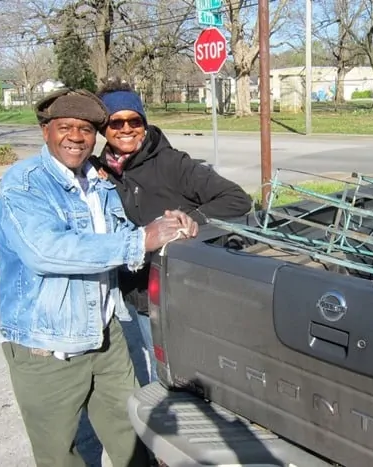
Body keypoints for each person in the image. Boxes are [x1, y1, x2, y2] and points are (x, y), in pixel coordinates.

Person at [0, 88, 198, 467]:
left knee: (132, 438)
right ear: (45, 131)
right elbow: (46, 250)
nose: (76, 136)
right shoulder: (24, 184)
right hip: (47, 345)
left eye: (86, 128)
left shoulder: (98, 181)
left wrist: (165, 225)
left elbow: (122, 234)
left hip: (106, 335)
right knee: (61, 454)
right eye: (65, 127)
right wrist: (141, 240)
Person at [91, 79, 252, 383]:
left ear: (144, 122)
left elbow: (237, 199)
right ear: (104, 130)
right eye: (116, 123)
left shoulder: (172, 163)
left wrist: (190, 219)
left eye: (134, 120)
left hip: (183, 289)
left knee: (197, 369)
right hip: (139, 295)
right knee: (161, 371)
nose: (126, 129)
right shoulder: (99, 171)